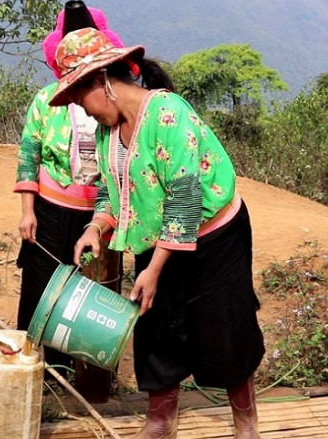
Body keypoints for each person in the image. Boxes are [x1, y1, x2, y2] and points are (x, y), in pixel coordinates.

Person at [49, 28, 265, 439]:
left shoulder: (168, 112)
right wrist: (97, 227)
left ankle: (246, 425)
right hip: (154, 236)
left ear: (103, 82)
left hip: (213, 238)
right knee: (157, 330)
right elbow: (113, 192)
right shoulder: (106, 132)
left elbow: (184, 197)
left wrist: (155, 269)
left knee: (224, 329)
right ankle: (160, 422)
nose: (83, 109)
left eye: (80, 97)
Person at [14, 0, 124, 371]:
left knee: (89, 291)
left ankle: (84, 371)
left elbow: (115, 170)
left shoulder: (113, 102)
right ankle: (36, 369)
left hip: (98, 214)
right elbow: (29, 154)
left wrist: (101, 220)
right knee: (41, 287)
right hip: (49, 209)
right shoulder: (46, 100)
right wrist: (28, 211)